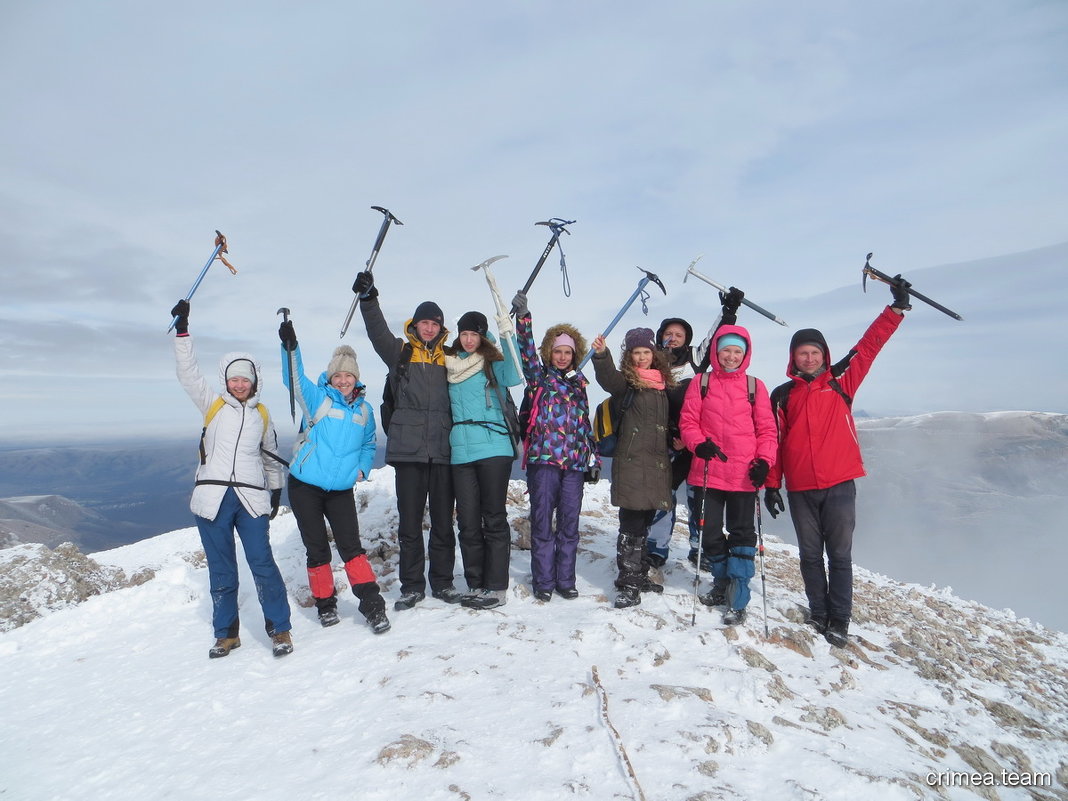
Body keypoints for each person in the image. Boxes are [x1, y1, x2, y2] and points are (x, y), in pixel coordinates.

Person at [764, 279, 911, 647]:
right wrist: (771, 484)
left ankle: (840, 619)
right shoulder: (783, 395)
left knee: (840, 556)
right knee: (810, 555)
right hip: (800, 488)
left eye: (814, 352)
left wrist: (895, 310)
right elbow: (775, 443)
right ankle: (819, 613)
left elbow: (868, 347)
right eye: (802, 353)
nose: (809, 358)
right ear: (792, 358)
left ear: (824, 355)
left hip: (840, 483)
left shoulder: (841, 381)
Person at [170, 299, 293, 659]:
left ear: (254, 381)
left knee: (263, 564)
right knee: (222, 570)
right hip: (211, 500)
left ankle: (280, 629)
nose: (240, 384)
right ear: (226, 380)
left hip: (251, 499)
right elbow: (188, 373)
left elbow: (270, 459)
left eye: (246, 379)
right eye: (234, 378)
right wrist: (182, 330)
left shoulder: (263, 414)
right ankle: (226, 634)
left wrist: (275, 493)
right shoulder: (213, 404)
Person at [352, 270, 458, 611]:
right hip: (409, 451)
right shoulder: (400, 353)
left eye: (435, 324)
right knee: (410, 523)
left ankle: (442, 582)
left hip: (443, 451)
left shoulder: (451, 359)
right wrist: (369, 299)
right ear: (415, 325)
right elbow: (377, 332)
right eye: (424, 323)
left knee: (443, 522)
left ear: (442, 329)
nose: (429, 328)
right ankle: (412, 586)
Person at [278, 321, 390, 634]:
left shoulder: (365, 411)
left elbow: (369, 444)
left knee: (352, 548)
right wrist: (291, 347)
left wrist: (362, 469)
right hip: (305, 486)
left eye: (348, 375)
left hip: (340, 489)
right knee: (317, 549)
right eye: (338, 375)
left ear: (356, 378)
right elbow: (295, 380)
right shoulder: (319, 400)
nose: (343, 380)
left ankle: (373, 607)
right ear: (331, 377)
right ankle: (326, 606)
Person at [679, 323, 776, 626]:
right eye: (726, 351)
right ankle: (721, 581)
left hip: (744, 474)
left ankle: (738, 592)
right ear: (716, 352)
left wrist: (764, 461)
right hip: (707, 470)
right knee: (708, 533)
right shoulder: (701, 382)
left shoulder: (754, 386)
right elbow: (688, 422)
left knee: (742, 534)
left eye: (737, 351)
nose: (731, 356)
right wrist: (698, 445)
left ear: (745, 354)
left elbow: (767, 430)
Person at [647, 288, 745, 569]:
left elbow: (717, 337)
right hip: (664, 442)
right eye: (669, 333)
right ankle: (657, 547)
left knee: (697, 497)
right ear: (660, 336)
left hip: (696, 442)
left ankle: (697, 549)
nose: (673, 338)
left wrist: (728, 312)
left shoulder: (696, 359)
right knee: (663, 496)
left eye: (679, 334)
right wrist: (671, 436)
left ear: (687, 339)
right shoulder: (651, 363)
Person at [512, 291, 598, 602]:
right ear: (549, 352)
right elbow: (526, 352)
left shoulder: (580, 385)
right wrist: (524, 318)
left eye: (568, 352)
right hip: (544, 460)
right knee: (541, 521)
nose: (562, 357)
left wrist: (593, 457)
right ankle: (544, 581)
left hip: (574, 463)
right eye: (557, 351)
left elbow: (584, 423)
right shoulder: (539, 379)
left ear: (575, 355)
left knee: (570, 524)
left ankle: (566, 580)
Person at [591, 327, 676, 609]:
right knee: (631, 526)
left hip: (655, 466)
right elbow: (607, 379)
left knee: (645, 524)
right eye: (636, 353)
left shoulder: (664, 385)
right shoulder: (625, 383)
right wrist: (602, 355)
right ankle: (627, 583)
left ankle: (638, 575)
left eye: (646, 352)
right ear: (629, 356)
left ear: (654, 354)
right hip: (630, 465)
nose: (641, 358)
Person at [444, 310, 523, 610]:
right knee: (467, 521)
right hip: (461, 451)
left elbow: (515, 374)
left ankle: (497, 587)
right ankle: (475, 584)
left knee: (493, 518)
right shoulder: (451, 365)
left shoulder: (494, 361)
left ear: (481, 336)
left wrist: (508, 335)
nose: (467, 339)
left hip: (494, 447)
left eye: (473, 334)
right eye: (463, 334)